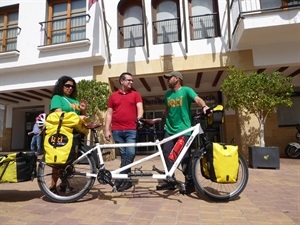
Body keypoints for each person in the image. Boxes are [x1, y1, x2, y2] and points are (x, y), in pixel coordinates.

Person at [156, 71, 210, 194]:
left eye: (170, 78)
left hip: (184, 130)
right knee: (166, 154)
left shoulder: (186, 90)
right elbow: (167, 108)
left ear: (177, 79)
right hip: (169, 129)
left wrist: (204, 106)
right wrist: (163, 118)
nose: (167, 80)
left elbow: (197, 99)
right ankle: (171, 180)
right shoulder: (168, 94)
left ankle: (189, 183)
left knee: (184, 157)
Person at [104, 72, 144, 192]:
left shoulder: (136, 94)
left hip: (131, 129)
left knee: (130, 154)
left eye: (132, 80)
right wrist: (107, 130)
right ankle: (127, 180)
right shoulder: (113, 96)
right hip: (117, 130)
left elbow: (140, 108)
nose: (131, 82)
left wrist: (139, 117)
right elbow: (109, 114)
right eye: (129, 80)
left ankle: (119, 180)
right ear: (121, 81)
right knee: (123, 156)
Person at [49, 76, 88, 193]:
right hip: (62, 132)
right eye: (67, 85)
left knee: (70, 160)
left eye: (72, 86)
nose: (70, 88)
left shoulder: (75, 100)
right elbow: (58, 114)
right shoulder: (57, 98)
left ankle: (64, 184)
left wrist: (83, 110)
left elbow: (82, 116)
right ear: (61, 86)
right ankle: (52, 186)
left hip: (75, 133)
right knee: (58, 161)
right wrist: (77, 116)